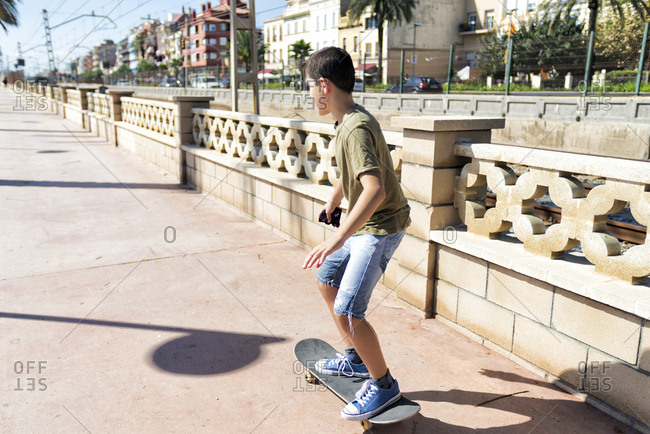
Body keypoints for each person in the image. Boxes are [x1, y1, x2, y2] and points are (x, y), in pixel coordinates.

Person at [301, 47, 411, 422]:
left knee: (349, 308)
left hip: (381, 227)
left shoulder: (357, 128)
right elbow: (351, 175)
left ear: (324, 85)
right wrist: (334, 201)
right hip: (364, 225)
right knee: (326, 279)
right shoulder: (347, 120)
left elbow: (374, 189)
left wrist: (336, 238)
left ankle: (384, 386)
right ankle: (356, 360)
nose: (309, 96)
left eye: (309, 88)